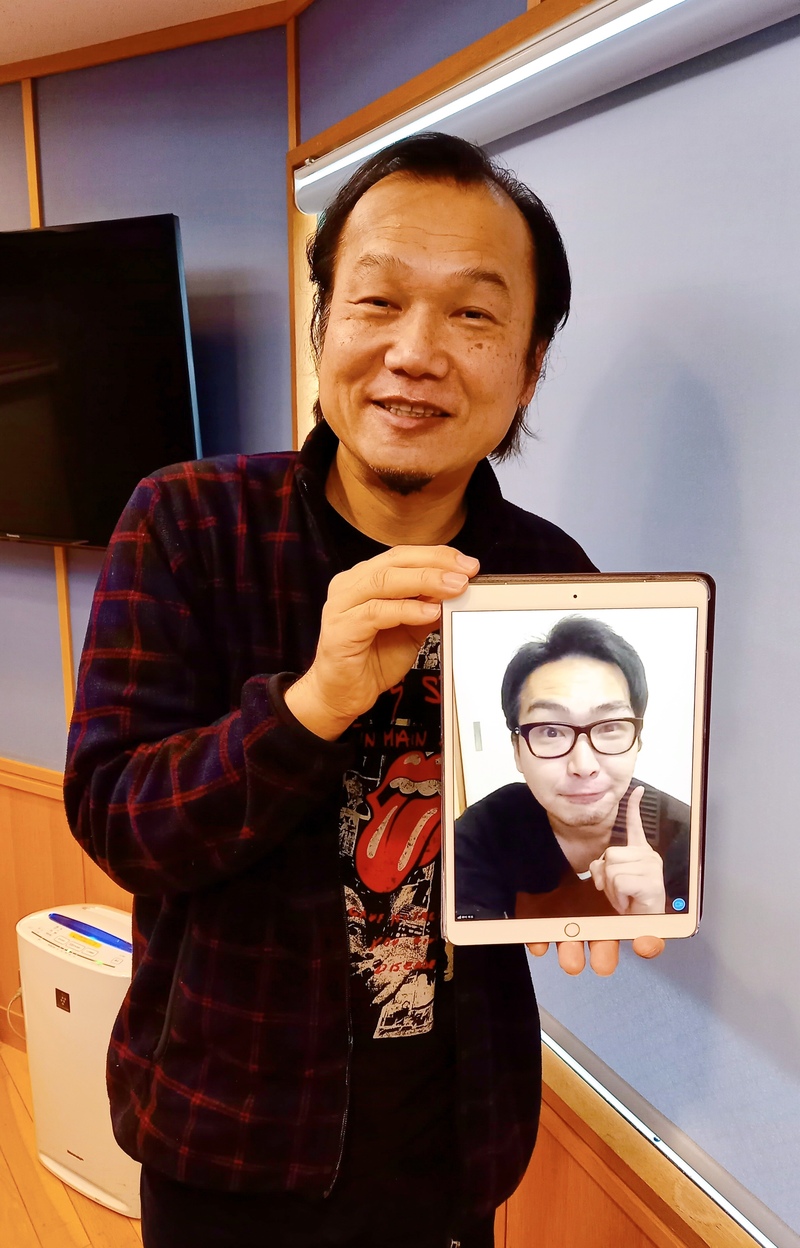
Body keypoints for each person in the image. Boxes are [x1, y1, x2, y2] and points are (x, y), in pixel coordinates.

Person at [63, 132, 664, 1248]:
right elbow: (119, 820)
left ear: (528, 367)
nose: (416, 352)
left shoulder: (548, 579)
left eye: (473, 314)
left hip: (455, 1140)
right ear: (322, 327)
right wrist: (310, 704)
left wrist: (596, 866)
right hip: (227, 1138)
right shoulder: (187, 522)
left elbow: (549, 829)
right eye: (378, 300)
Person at [455, 616, 690, 922]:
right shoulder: (483, 833)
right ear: (517, 750)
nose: (583, 766)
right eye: (551, 731)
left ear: (637, 740)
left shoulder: (686, 841)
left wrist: (652, 921)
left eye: (609, 727)